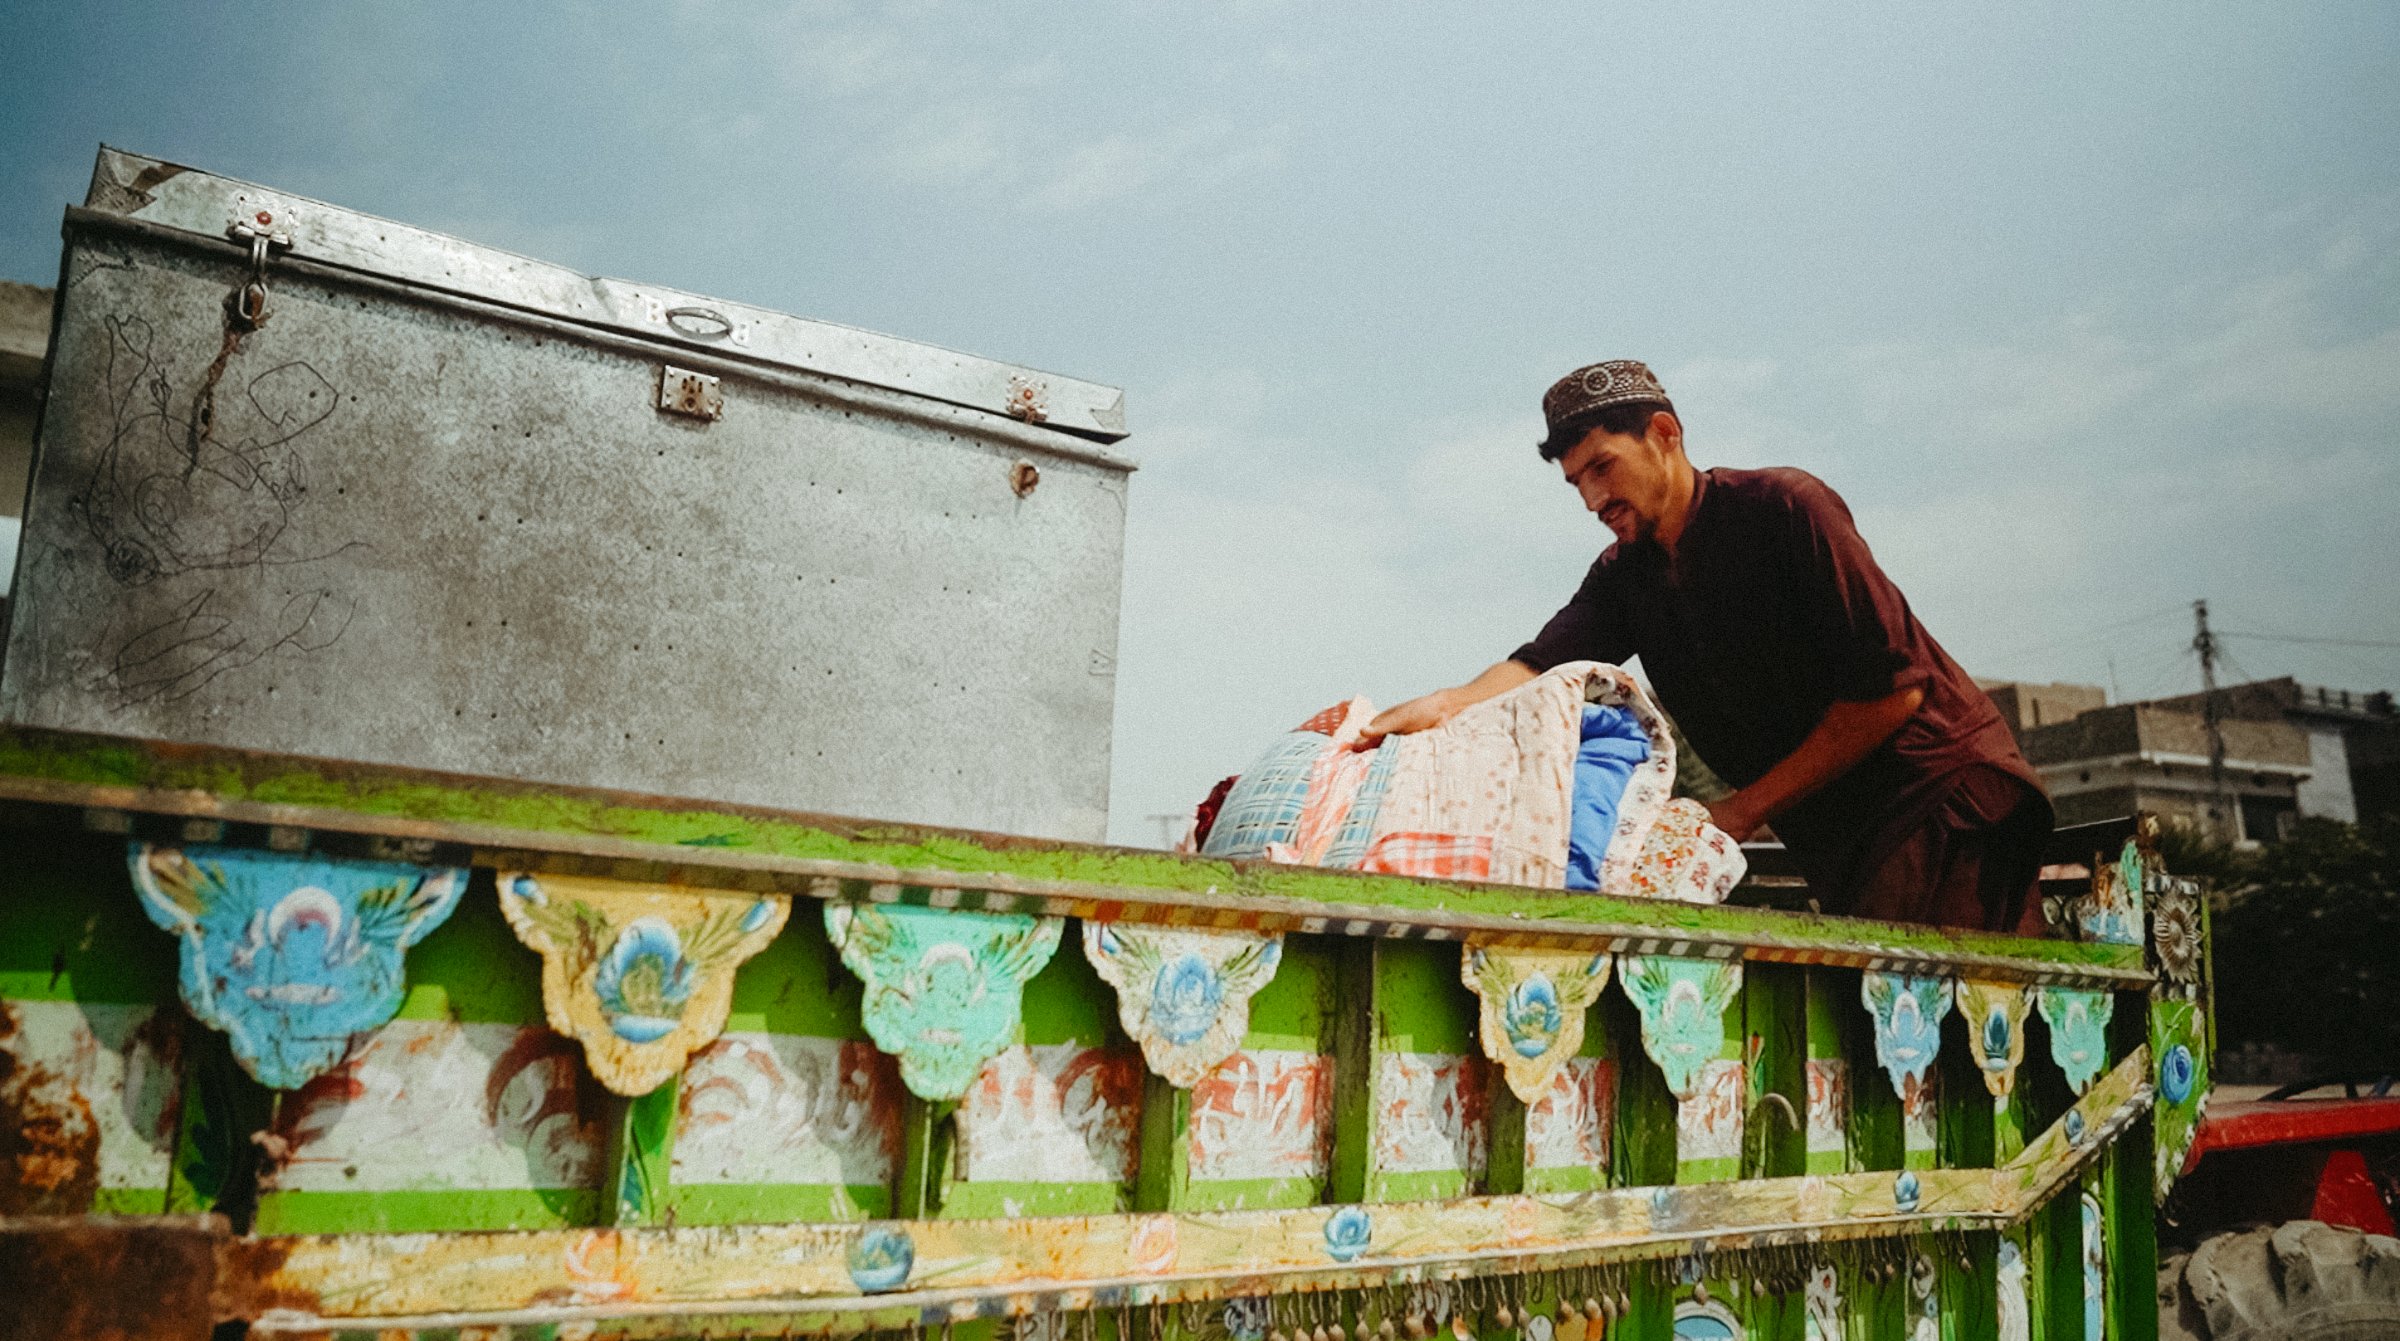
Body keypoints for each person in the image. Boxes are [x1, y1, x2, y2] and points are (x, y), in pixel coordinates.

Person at [1361, 360, 2051, 931]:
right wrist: (1445, 704)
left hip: (1937, 802)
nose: (1593, 500)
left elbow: (1893, 693)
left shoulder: (1786, 509)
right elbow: (1540, 664)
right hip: (1844, 839)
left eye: (1603, 467)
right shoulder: (1625, 576)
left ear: (1664, 434)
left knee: (1944, 1036)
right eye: (1577, 483)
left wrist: (1741, 809)